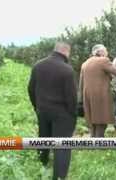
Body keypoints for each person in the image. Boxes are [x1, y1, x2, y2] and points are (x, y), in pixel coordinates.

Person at [28, 42, 77, 180]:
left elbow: (31, 88)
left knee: (43, 138)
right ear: (66, 52)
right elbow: (71, 98)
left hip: (43, 110)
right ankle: (59, 177)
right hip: (62, 114)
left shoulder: (38, 65)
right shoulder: (67, 70)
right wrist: (73, 114)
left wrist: (36, 106)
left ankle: (41, 165)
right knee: (62, 146)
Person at [79, 44, 116, 137]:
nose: (107, 52)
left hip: (87, 96)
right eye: (105, 50)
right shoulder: (103, 61)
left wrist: (81, 99)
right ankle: (99, 145)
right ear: (99, 52)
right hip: (100, 95)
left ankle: (93, 145)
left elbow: (81, 83)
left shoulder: (85, 63)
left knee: (93, 123)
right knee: (101, 121)